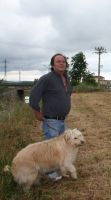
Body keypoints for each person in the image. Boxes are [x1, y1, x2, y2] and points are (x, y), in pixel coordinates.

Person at [29, 53, 72, 181]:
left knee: (62, 147)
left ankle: (59, 168)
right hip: (51, 120)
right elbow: (33, 97)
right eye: (58, 61)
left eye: (63, 61)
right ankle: (50, 174)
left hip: (62, 120)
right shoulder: (47, 78)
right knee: (51, 149)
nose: (61, 63)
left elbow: (68, 94)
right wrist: (37, 111)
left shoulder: (66, 79)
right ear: (52, 65)